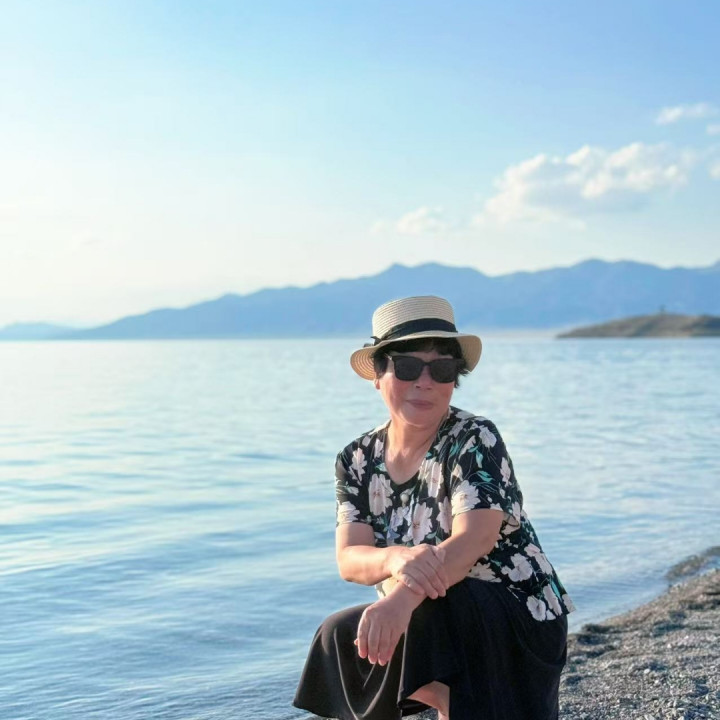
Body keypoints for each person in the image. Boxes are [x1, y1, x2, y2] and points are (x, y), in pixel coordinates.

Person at [293, 296, 574, 720]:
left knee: (429, 612)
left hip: (517, 613)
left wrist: (401, 599)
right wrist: (396, 559)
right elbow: (349, 559)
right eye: (407, 367)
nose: (424, 382)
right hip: (432, 618)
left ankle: (455, 702)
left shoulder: (474, 438)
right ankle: (447, 700)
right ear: (378, 376)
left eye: (442, 369)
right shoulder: (356, 459)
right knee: (338, 635)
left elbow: (475, 539)